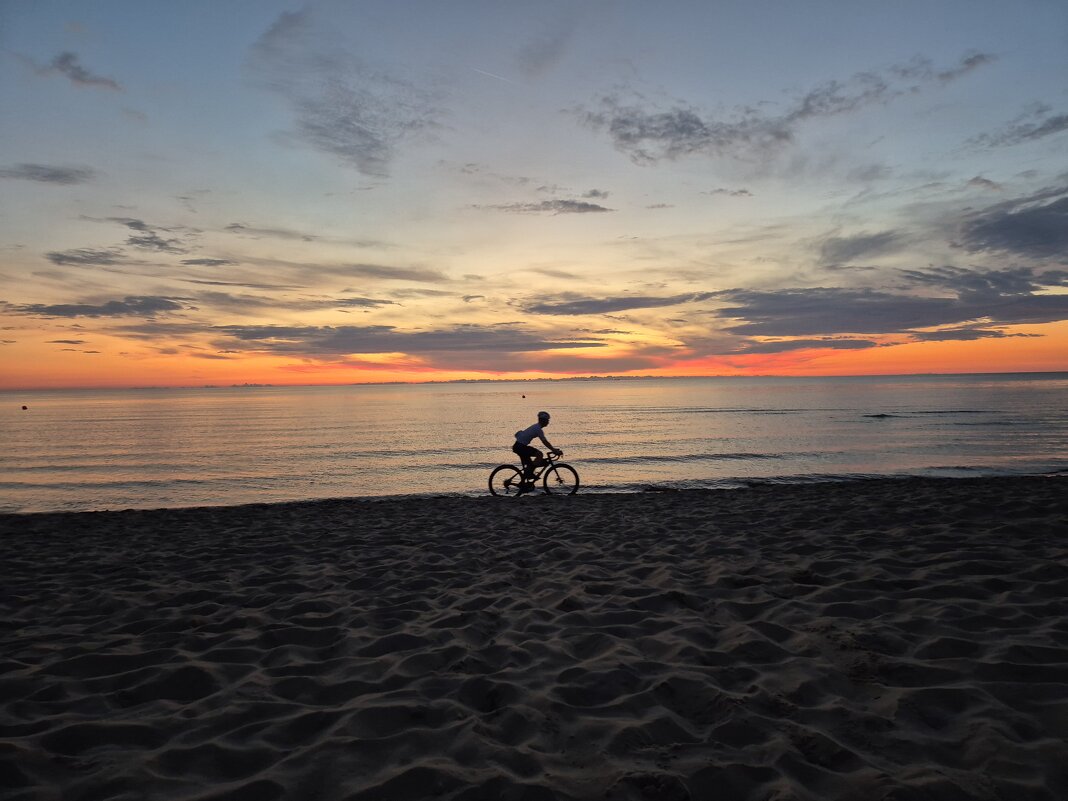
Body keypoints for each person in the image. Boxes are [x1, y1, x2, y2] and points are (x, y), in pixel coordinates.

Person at [513, 410, 562, 487]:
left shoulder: (536, 427)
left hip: (519, 446)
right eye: (547, 420)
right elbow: (545, 442)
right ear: (543, 420)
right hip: (520, 447)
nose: (548, 422)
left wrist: (553, 449)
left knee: (530, 465)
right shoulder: (538, 429)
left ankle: (526, 479)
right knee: (539, 454)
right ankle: (529, 474)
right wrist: (554, 450)